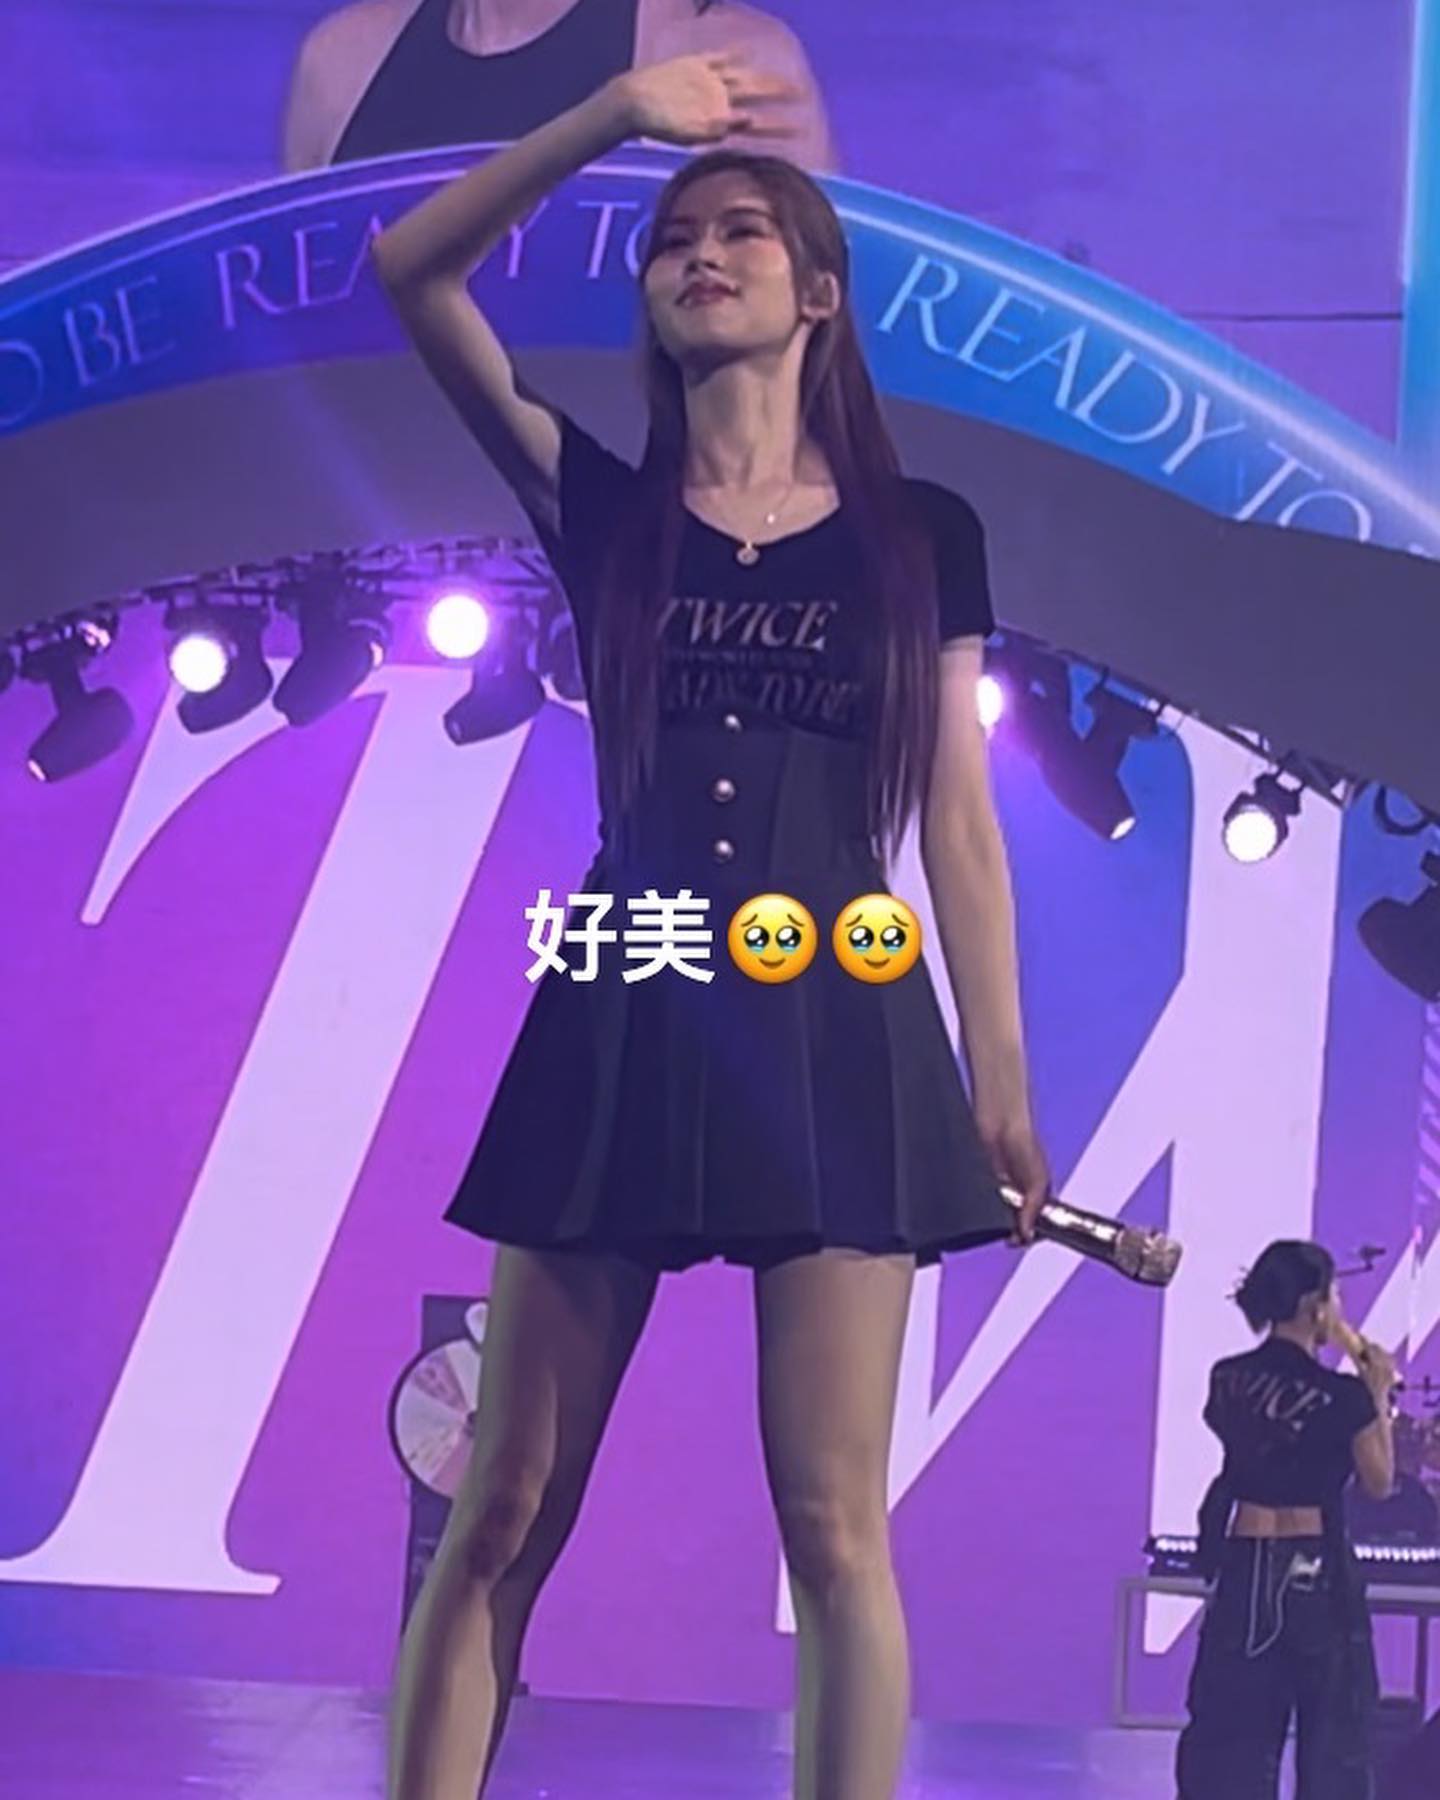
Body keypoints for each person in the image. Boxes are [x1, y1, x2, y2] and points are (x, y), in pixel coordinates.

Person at [372, 49, 1049, 1799]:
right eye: (675, 241)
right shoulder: (606, 508)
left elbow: (958, 828)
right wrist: (612, 119)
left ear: (819, 291)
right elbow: (411, 271)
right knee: (503, 1503)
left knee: (833, 1523)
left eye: (743, 231)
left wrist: (1000, 1083)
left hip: (842, 1018)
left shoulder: (922, 534)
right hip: (627, 998)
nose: (702, 254)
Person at [1177, 1240, 1398, 1800]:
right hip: (1314, 1575)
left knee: (1231, 1737)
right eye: (1335, 1296)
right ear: (1315, 1307)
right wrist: (1376, 1394)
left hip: (1245, 1567)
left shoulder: (1227, 1379)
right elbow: (1379, 1481)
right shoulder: (1342, 1395)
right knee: (1331, 1738)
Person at [283, 0, 836, 172]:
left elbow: (823, 330)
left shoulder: (722, 54)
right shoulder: (340, 62)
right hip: (371, 417)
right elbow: (288, 343)